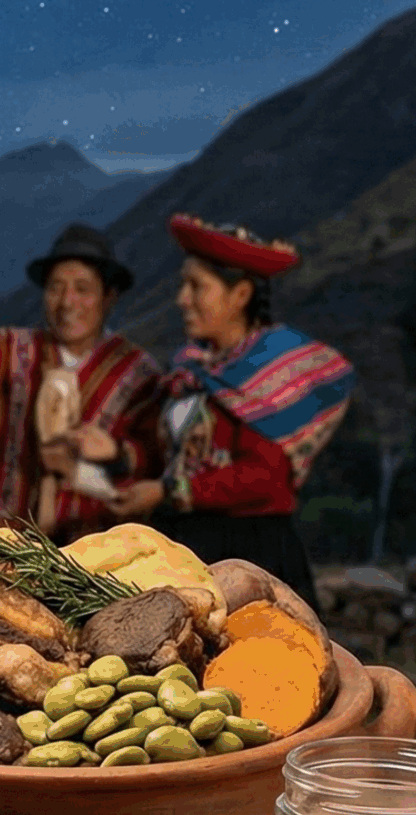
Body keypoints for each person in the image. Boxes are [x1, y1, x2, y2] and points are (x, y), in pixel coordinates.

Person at [108, 215, 354, 600]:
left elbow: (265, 477)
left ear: (239, 295)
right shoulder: (192, 369)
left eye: (196, 287)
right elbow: (170, 453)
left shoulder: (271, 373)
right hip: (186, 547)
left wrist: (166, 491)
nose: (182, 300)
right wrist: (116, 454)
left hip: (250, 553)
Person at [0, 224, 162, 540]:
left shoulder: (137, 373)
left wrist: (100, 461)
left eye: (83, 289)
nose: (67, 302)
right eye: (55, 288)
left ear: (109, 298)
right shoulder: (9, 350)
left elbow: (150, 470)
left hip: (89, 551)